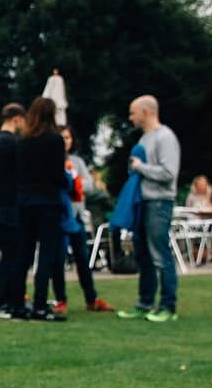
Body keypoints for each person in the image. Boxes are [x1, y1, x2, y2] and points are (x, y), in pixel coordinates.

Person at [118, 95, 182, 323]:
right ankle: (145, 303)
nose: (130, 117)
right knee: (143, 254)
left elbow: (168, 173)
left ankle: (168, 305)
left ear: (145, 112)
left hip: (159, 202)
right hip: (143, 202)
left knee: (159, 253)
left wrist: (140, 167)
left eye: (133, 112)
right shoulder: (145, 139)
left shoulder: (165, 138)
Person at [15, 97, 69, 321]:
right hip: (48, 202)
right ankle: (39, 303)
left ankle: (18, 302)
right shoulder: (55, 141)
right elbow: (58, 174)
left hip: (26, 203)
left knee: (24, 254)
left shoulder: (24, 141)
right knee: (46, 255)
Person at [59, 125, 112, 312]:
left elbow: (88, 185)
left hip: (77, 215)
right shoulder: (51, 159)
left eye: (68, 137)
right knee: (58, 258)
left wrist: (75, 181)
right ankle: (60, 299)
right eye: (61, 137)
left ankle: (91, 298)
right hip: (59, 215)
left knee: (82, 257)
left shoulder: (77, 161)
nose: (65, 141)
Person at [0, 103, 27, 318]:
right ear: (17, 119)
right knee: (14, 255)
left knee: (7, 255)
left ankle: (3, 299)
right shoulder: (12, 143)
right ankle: (6, 300)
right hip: (10, 204)